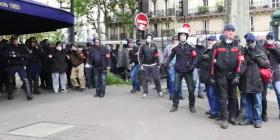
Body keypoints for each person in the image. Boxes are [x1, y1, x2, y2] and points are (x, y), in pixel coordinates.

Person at [211, 24, 242, 129]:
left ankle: (232, 117)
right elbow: (212, 61)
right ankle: (224, 119)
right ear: (224, 32)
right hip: (221, 75)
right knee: (223, 97)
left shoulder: (237, 45)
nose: (230, 32)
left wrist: (237, 76)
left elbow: (240, 62)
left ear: (234, 33)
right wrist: (212, 76)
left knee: (233, 97)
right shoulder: (218, 45)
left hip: (233, 75)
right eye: (228, 31)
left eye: (232, 31)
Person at [239, 33, 270, 128]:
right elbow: (241, 63)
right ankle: (248, 118)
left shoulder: (259, 50)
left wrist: (257, 58)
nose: (249, 43)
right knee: (246, 102)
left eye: (251, 41)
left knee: (257, 103)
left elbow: (267, 64)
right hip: (246, 81)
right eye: (248, 41)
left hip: (257, 80)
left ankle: (257, 120)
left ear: (254, 41)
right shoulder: (244, 51)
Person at [165, 27, 197, 113]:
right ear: (179, 37)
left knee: (191, 89)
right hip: (178, 71)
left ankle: (192, 106)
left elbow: (195, 58)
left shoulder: (191, 47)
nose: (182, 37)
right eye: (181, 35)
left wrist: (193, 65)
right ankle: (175, 105)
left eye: (184, 35)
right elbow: (171, 56)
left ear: (186, 36)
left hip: (188, 71)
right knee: (176, 89)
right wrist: (166, 63)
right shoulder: (176, 48)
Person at [2, 35, 32, 100]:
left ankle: (29, 94)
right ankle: (10, 94)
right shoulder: (7, 46)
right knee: (10, 81)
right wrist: (10, 56)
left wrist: (20, 56)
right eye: (14, 39)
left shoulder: (22, 46)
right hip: (11, 66)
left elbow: (29, 55)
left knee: (25, 80)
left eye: (16, 39)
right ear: (11, 40)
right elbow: (2, 54)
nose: (15, 41)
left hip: (20, 66)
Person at [198, 35, 220, 119]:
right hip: (205, 75)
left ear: (215, 41)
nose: (210, 41)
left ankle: (215, 111)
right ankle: (212, 109)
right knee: (209, 94)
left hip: (212, 75)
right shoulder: (206, 49)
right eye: (209, 40)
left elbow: (216, 62)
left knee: (213, 94)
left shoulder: (216, 50)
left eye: (212, 40)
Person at [138, 33, 163, 98]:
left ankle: (159, 91)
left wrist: (158, 64)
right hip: (145, 65)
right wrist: (141, 64)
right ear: (146, 39)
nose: (148, 39)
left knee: (156, 78)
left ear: (151, 39)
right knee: (145, 79)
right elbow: (140, 56)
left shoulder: (154, 45)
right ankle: (145, 93)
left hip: (153, 65)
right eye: (147, 38)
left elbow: (157, 55)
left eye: (150, 38)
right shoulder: (142, 46)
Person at [262, 32, 280, 121]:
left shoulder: (276, 47)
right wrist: (267, 47)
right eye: (268, 38)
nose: (269, 40)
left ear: (273, 39)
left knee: (279, 93)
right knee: (263, 94)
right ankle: (264, 114)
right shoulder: (263, 47)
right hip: (265, 73)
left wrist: (274, 48)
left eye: (271, 38)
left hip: (276, 74)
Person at [163, 36, 183, 100]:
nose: (176, 40)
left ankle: (180, 94)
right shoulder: (168, 47)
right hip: (171, 66)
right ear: (172, 40)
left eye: (177, 39)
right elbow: (165, 56)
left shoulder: (181, 47)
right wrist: (165, 63)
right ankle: (171, 95)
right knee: (172, 80)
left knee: (180, 80)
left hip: (179, 66)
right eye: (174, 39)